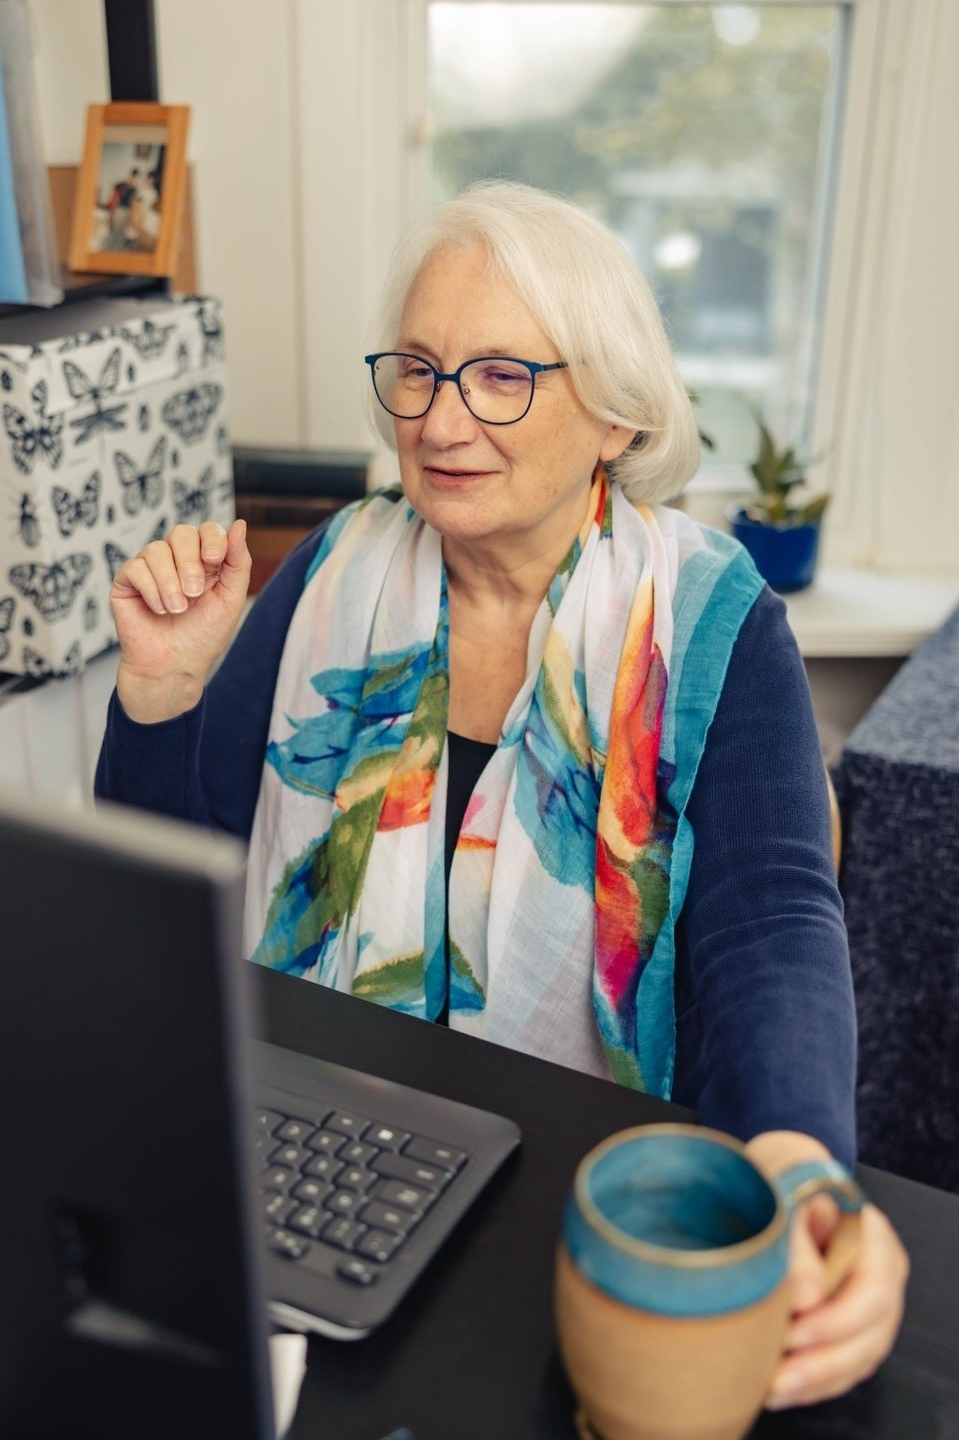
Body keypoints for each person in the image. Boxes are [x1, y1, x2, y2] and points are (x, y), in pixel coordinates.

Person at [96, 181, 907, 1410]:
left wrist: (796, 1159)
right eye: (417, 369)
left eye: (500, 376)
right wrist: (161, 697)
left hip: (570, 1195)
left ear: (617, 414)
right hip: (316, 1167)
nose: (438, 418)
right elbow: (175, 891)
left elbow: (771, 924)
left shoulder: (711, 619)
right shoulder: (328, 569)